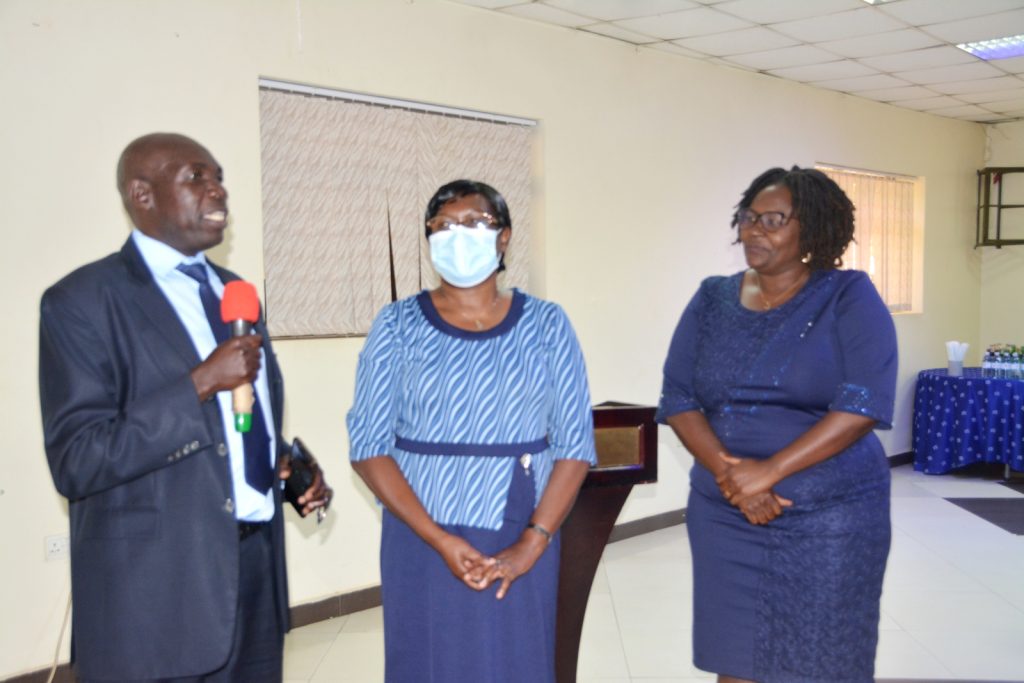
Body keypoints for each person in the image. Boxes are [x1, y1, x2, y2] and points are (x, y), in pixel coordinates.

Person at [39, 132, 331, 682]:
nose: (217, 188)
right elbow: (78, 459)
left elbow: (239, 422)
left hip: (252, 577)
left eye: (219, 175)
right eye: (196, 176)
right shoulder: (81, 302)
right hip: (155, 597)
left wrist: (280, 469)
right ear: (141, 194)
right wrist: (198, 382)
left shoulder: (235, 293)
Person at [347, 179, 596, 683]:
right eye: (443, 225)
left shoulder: (547, 325)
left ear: (503, 238)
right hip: (421, 533)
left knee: (515, 662)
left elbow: (575, 446)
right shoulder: (396, 325)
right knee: (429, 661)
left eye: (475, 223)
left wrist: (534, 541)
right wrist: (438, 539)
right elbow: (367, 447)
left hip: (520, 526)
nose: (457, 234)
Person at [657, 166, 898, 683]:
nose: (754, 230)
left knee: (821, 656)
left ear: (809, 229)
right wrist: (733, 476)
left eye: (773, 219)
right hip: (725, 513)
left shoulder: (848, 295)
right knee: (735, 658)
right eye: (748, 217)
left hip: (831, 515)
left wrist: (770, 471)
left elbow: (863, 403)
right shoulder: (711, 298)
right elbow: (678, 397)